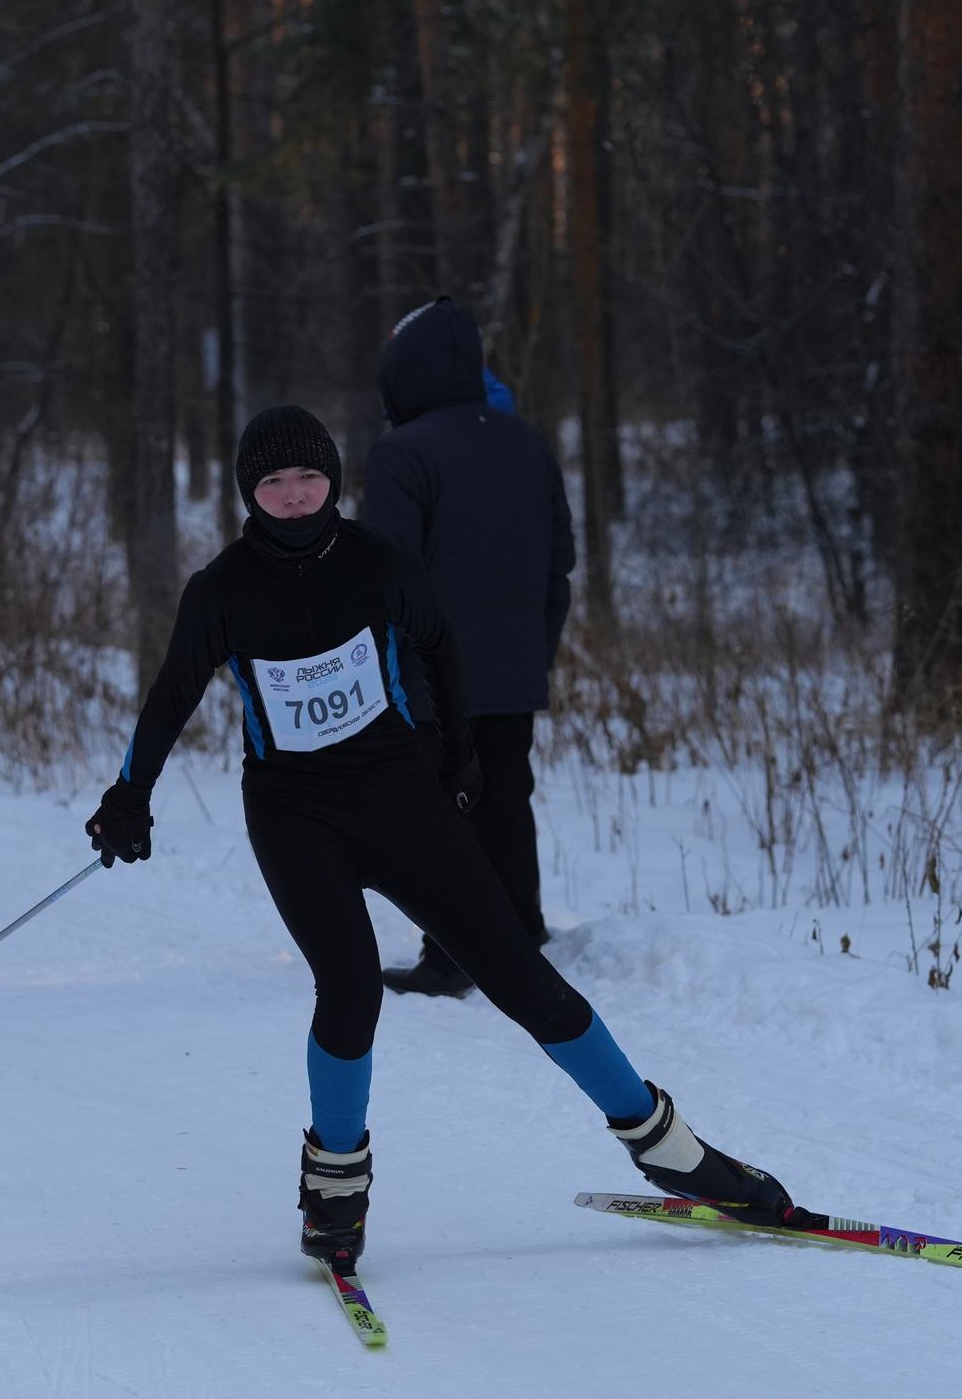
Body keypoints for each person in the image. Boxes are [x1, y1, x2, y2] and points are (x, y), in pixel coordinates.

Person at [86, 405, 818, 1279]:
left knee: (520, 974)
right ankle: (334, 1193)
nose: (292, 496)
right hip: (293, 812)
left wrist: (459, 755)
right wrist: (130, 797)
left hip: (399, 794)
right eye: (272, 482)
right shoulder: (221, 589)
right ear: (250, 491)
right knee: (351, 985)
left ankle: (672, 1152)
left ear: (334, 481)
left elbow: (439, 645)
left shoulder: (379, 566)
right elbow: (171, 694)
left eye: (308, 477)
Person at [360, 297, 573, 999]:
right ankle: (521, 924)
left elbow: (387, 570)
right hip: (515, 663)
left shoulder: (401, 452)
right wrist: (535, 648)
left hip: (432, 673)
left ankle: (451, 954)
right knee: (507, 793)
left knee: (445, 806)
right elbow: (558, 560)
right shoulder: (527, 440)